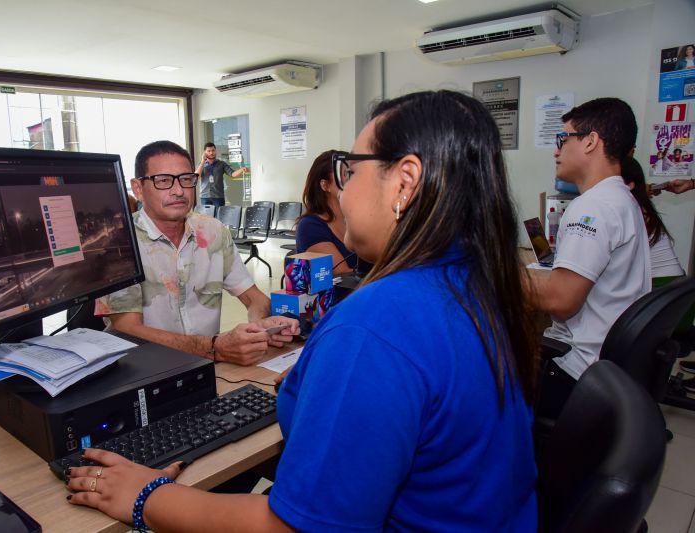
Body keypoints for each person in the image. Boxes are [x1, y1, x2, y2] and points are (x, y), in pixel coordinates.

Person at [67, 90, 539, 532]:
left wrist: (146, 495)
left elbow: (294, 525)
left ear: (405, 183)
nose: (340, 194)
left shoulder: (373, 326)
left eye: (349, 173)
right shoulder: (476, 284)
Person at [95, 140, 297, 366]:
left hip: (205, 368)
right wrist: (213, 348)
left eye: (186, 179)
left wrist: (262, 326)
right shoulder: (120, 243)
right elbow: (128, 328)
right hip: (145, 371)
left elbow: (254, 298)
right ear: (138, 189)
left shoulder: (213, 231)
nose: (179, 191)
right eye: (163, 181)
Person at [527, 98, 651, 419]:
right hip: (610, 368)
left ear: (591, 141)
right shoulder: (622, 199)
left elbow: (561, 300)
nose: (556, 151)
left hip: (575, 369)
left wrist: (494, 273)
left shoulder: (592, 207)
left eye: (562, 139)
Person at [622, 157, 685, 280]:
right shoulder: (638, 204)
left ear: (629, 185)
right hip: (675, 282)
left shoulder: (629, 208)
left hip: (659, 284)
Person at [295, 150, 357, 273]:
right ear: (325, 185)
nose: (353, 180)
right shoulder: (310, 226)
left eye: (354, 173)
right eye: (346, 174)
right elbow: (343, 274)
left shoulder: (357, 219)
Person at [195, 142, 248, 207]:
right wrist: (203, 161)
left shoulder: (221, 164)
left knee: (219, 216)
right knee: (206, 217)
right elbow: (196, 177)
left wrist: (241, 169)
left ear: (215, 151)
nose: (211, 153)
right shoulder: (201, 164)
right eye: (208, 151)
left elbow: (232, 174)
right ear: (204, 152)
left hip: (218, 197)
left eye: (213, 150)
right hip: (205, 197)